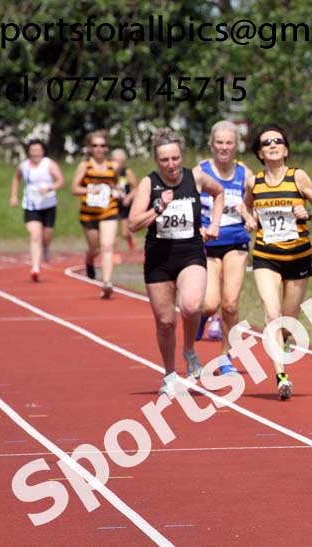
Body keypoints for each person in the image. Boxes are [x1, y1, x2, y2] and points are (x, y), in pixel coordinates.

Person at [128, 128, 224, 396]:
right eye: (164, 160)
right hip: (158, 258)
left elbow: (220, 193)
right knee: (165, 322)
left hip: (190, 252)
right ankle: (170, 373)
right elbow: (133, 224)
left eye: (175, 158)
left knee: (192, 306)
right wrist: (158, 208)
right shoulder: (149, 184)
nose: (171, 165)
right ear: (157, 161)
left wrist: (214, 223)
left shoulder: (196, 177)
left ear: (182, 156)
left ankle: (189, 349)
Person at [244, 124, 312, 399]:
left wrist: (307, 214)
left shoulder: (298, 177)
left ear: (286, 149)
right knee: (272, 313)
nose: (272, 144)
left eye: (278, 141)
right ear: (259, 152)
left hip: (298, 256)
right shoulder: (255, 182)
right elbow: (247, 207)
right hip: (266, 256)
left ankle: (285, 339)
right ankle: (281, 376)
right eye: (266, 142)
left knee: (289, 318)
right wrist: (248, 219)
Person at [196, 120, 253, 375]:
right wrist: (197, 228)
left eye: (229, 142)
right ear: (212, 144)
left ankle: (225, 357)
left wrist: (252, 217)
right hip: (207, 244)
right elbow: (187, 204)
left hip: (236, 242)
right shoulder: (201, 171)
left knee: (230, 304)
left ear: (236, 145)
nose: (224, 147)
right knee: (210, 304)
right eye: (219, 142)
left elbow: (255, 204)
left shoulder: (245, 174)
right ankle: (201, 318)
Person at [71, 131, 119, 298]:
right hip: (89, 214)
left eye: (102, 145)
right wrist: (91, 190)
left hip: (109, 210)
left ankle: (106, 283)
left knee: (107, 246)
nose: (99, 149)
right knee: (95, 247)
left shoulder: (113, 166)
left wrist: (117, 191)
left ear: (107, 148)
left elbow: (117, 184)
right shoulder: (85, 166)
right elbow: (74, 188)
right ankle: (89, 259)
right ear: (90, 148)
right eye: (95, 146)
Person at [9, 139, 65, 281]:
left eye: (37, 151)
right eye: (32, 151)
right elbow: (16, 179)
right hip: (31, 205)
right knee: (35, 235)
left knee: (46, 237)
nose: (35, 154)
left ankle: (46, 247)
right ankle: (35, 267)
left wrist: (50, 188)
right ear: (28, 152)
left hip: (48, 205)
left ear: (43, 151)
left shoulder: (49, 164)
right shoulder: (24, 166)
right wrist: (14, 196)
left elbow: (60, 181)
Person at [111, 148, 137, 251]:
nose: (117, 163)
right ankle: (113, 252)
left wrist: (128, 198)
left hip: (124, 204)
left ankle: (130, 238)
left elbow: (136, 188)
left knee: (124, 233)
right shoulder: (108, 172)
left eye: (119, 161)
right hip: (111, 203)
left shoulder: (127, 172)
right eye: (115, 160)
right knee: (110, 231)